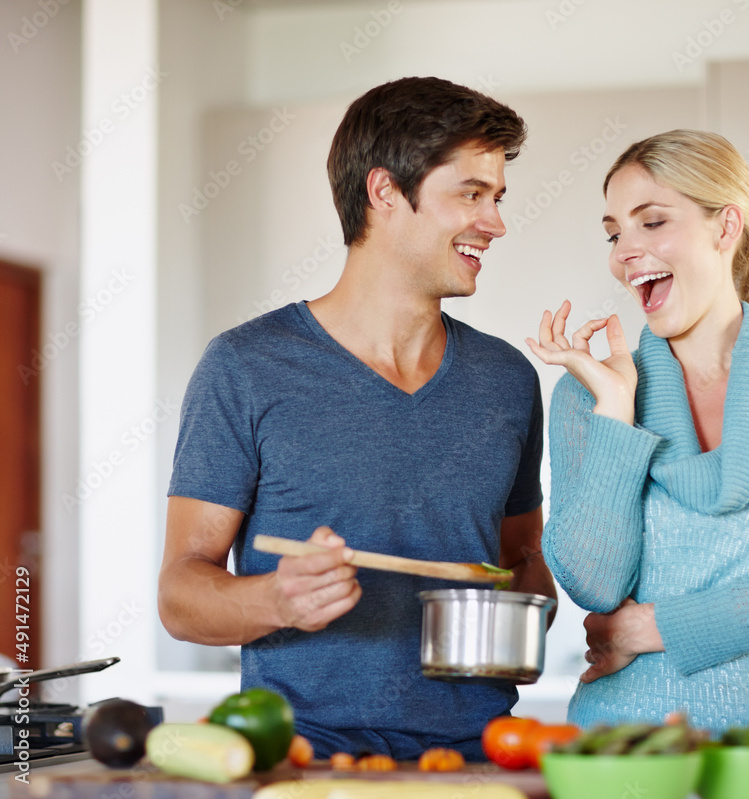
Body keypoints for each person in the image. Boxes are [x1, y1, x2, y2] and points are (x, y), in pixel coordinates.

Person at [158, 76, 556, 761]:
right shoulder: (245, 367)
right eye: (470, 194)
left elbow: (524, 562)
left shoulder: (507, 380)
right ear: (385, 193)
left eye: (496, 198)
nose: (495, 223)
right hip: (305, 761)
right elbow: (181, 593)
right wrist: (276, 600)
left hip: (477, 762)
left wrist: (529, 612)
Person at [526, 130, 749, 790]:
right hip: (619, 765)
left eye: (652, 221)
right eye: (613, 232)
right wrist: (618, 413)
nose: (626, 253)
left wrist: (643, 629)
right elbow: (595, 583)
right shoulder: (587, 392)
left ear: (725, 226)